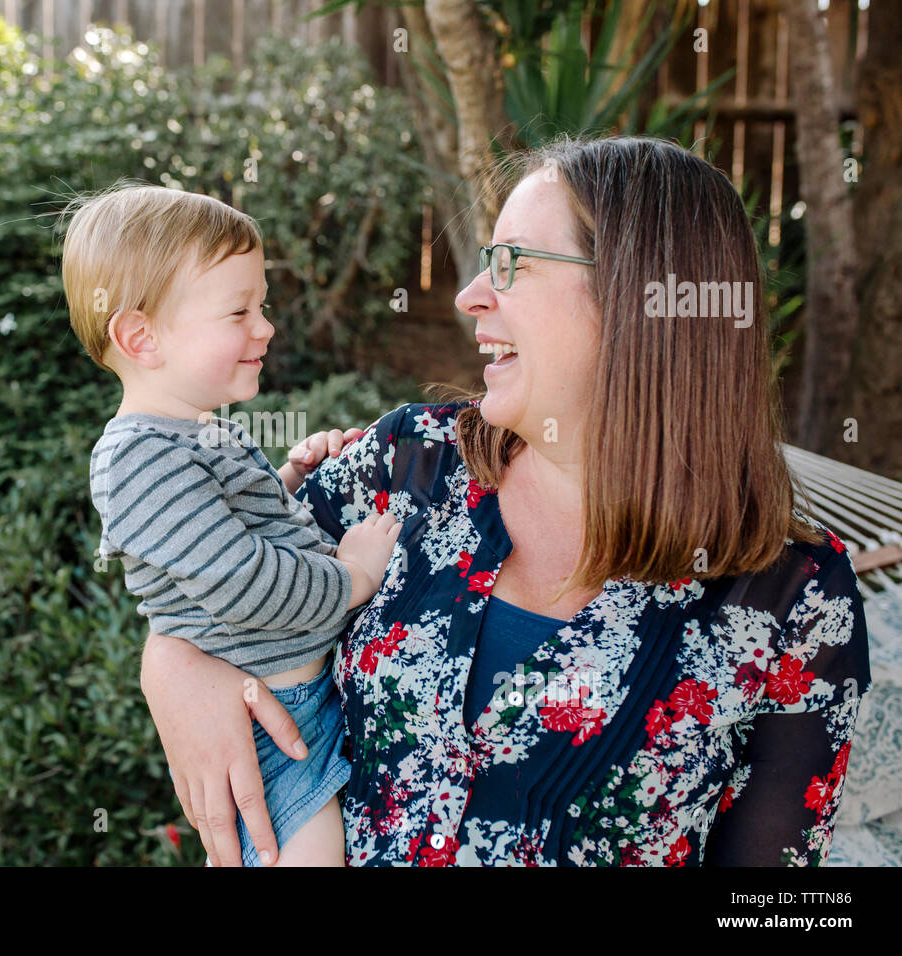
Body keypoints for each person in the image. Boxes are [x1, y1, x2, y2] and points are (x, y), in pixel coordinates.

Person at [140, 134, 874, 866]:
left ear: (644, 298)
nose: (470, 296)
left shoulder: (795, 598)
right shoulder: (407, 464)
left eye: (512, 263)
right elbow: (216, 580)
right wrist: (171, 663)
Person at [63, 183, 401, 866]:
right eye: (238, 310)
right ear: (141, 337)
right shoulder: (138, 457)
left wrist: (290, 488)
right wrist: (354, 576)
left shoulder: (192, 437)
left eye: (262, 305)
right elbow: (244, 585)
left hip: (292, 708)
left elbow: (234, 540)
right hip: (269, 731)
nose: (265, 326)